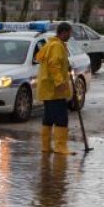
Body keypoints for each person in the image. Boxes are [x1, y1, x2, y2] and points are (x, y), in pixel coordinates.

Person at [35, 21, 74, 155]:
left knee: (49, 118)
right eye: (69, 33)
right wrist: (60, 83)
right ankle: (60, 147)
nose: (70, 35)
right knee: (61, 118)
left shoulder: (51, 44)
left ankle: (46, 146)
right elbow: (53, 65)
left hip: (48, 89)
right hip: (54, 89)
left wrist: (66, 66)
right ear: (64, 32)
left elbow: (52, 62)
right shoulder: (56, 45)